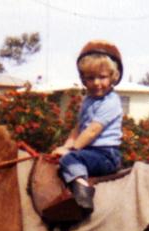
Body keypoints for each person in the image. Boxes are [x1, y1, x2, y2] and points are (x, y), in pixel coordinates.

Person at [52, 40, 124, 212]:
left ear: (113, 77)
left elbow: (92, 131)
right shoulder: (88, 100)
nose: (97, 83)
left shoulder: (111, 102)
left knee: (70, 159)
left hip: (106, 154)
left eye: (102, 77)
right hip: (89, 152)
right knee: (60, 160)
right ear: (83, 79)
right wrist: (65, 146)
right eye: (91, 78)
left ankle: (83, 193)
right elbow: (78, 129)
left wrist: (71, 151)